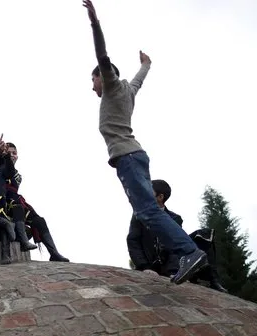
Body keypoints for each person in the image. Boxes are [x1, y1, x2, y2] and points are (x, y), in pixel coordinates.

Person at [83, 0, 207, 284]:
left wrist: (95, 23)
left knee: (147, 212)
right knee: (146, 211)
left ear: (102, 76)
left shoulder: (113, 85)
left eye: (93, 81)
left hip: (128, 156)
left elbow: (102, 54)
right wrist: (146, 65)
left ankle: (189, 251)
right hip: (135, 155)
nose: (92, 87)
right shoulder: (129, 89)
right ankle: (187, 252)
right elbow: (139, 79)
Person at [0, 111, 69, 262]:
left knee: (39, 220)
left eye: (14, 152)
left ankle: (54, 253)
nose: (11, 154)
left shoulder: (17, 173)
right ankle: (19, 244)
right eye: (9, 152)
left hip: (18, 200)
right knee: (15, 209)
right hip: (1, 201)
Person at [127, 180, 228, 293]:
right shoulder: (139, 215)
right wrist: (144, 267)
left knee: (204, 236)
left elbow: (174, 245)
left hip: (170, 264)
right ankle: (176, 271)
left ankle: (212, 281)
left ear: (160, 197)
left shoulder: (174, 218)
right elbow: (133, 241)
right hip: (151, 264)